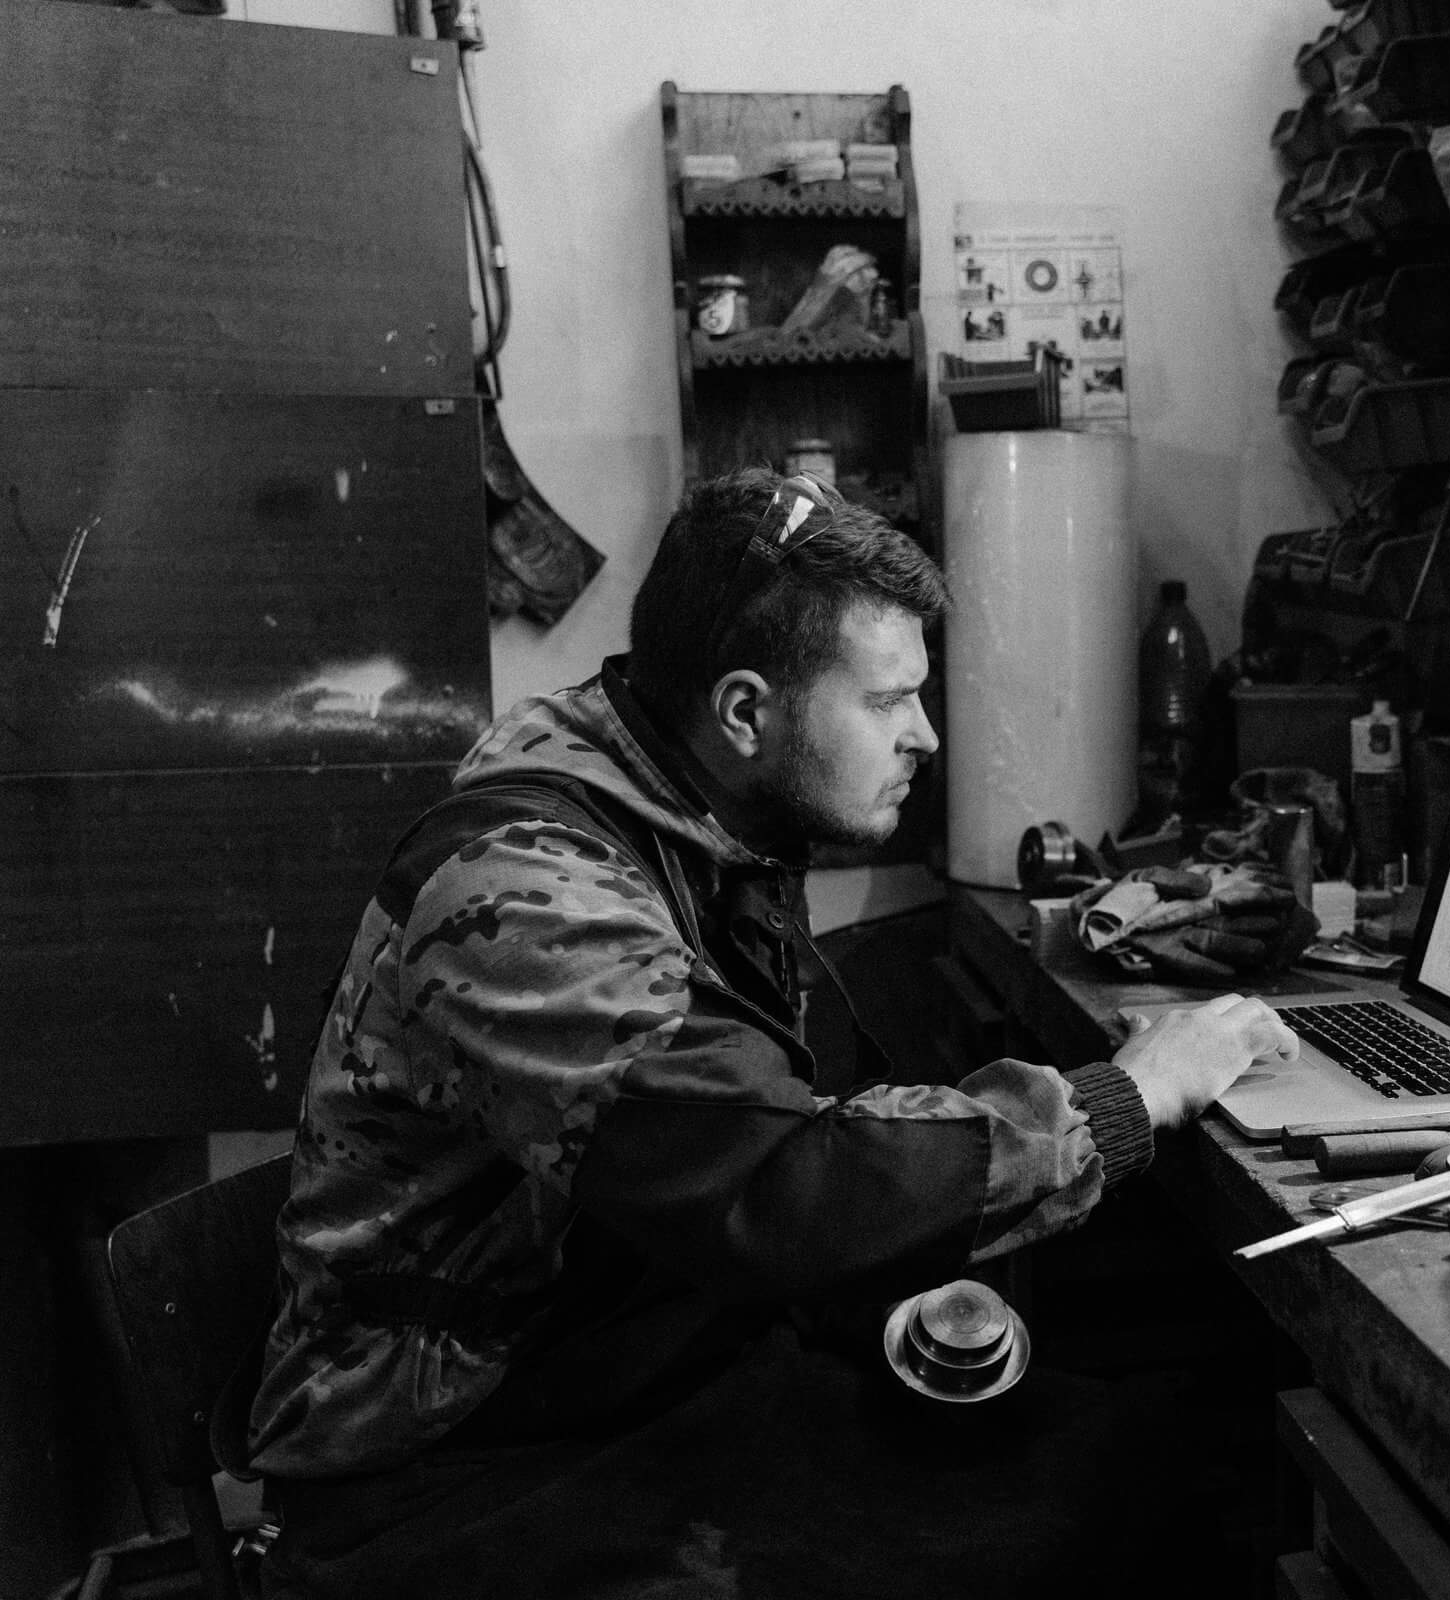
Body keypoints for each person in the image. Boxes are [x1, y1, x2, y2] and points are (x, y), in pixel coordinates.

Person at [243, 467, 1300, 1597]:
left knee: (1158, 1462)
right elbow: (784, 1185)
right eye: (889, 701)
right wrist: (1124, 1098)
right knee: (1125, 1520)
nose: (927, 737)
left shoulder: (688, 803)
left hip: (628, 1359)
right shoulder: (528, 897)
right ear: (746, 712)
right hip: (451, 1456)